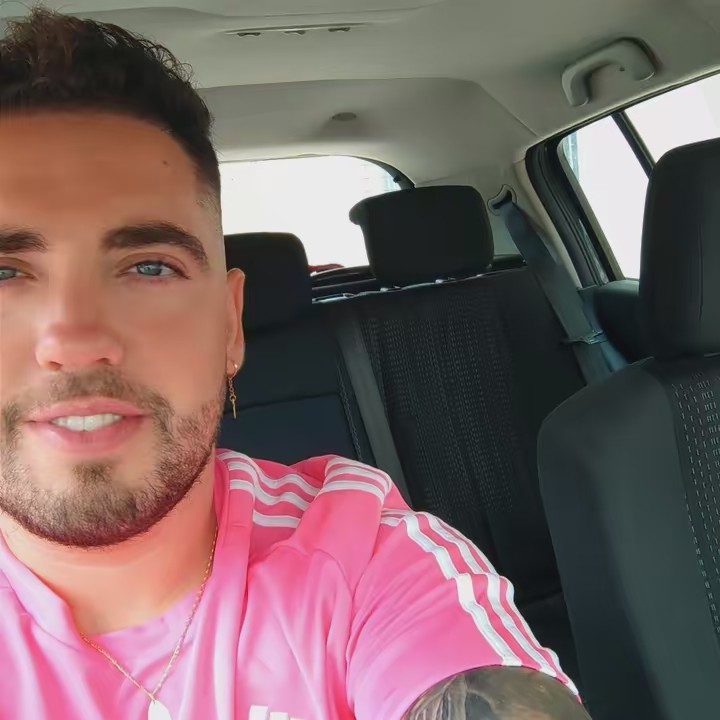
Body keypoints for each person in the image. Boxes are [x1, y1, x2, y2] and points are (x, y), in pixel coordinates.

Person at [0, 8, 590, 720]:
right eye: (3, 273)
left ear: (230, 325)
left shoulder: (366, 561)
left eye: (149, 267)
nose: (74, 339)